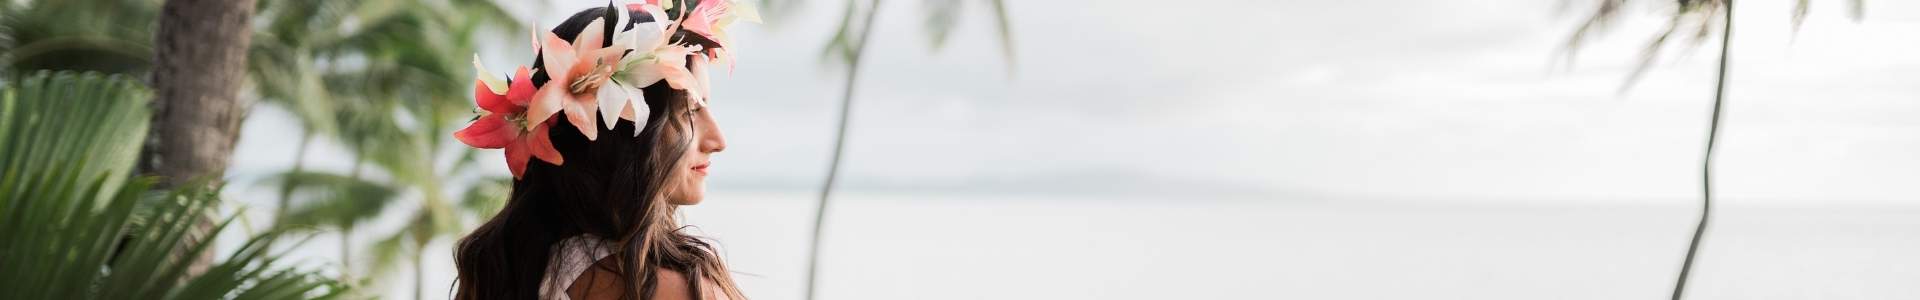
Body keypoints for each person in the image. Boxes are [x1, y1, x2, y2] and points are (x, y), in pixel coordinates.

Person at [451, 1, 758, 299]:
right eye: (689, 111)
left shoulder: (499, 270)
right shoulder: (666, 290)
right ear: (622, 129)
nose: (717, 140)